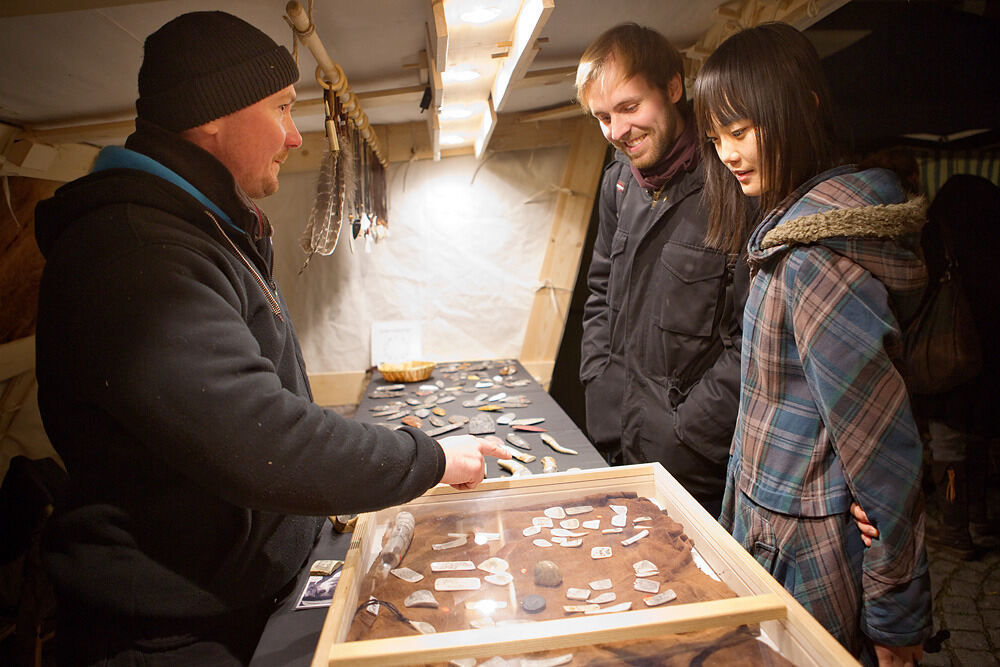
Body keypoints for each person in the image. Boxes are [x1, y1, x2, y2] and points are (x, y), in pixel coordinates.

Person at [32, 11, 508, 665]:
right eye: (282, 109)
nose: (293, 135)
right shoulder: (134, 254)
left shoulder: (207, 228)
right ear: (212, 117)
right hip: (173, 635)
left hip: (237, 598)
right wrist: (426, 460)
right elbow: (263, 439)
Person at [693, 22, 932, 666]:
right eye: (717, 139)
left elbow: (882, 447)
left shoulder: (813, 259)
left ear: (804, 106)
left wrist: (895, 621)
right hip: (773, 533)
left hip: (808, 557)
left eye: (740, 131)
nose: (727, 156)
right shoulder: (786, 236)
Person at [575, 23, 748, 516]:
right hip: (620, 441)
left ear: (673, 88)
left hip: (696, 468)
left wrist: (686, 432)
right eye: (603, 117)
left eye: (630, 108)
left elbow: (748, 341)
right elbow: (599, 293)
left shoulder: (731, 185)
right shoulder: (619, 186)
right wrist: (599, 387)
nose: (617, 132)